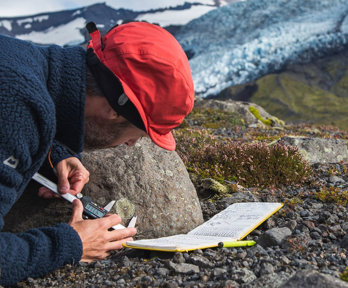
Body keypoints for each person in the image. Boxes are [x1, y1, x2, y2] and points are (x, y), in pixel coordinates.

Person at [0, 21, 194, 285]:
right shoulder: (20, 110)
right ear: (114, 110)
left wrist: (51, 152)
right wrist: (72, 243)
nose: (130, 145)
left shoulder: (20, 60)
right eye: (137, 134)